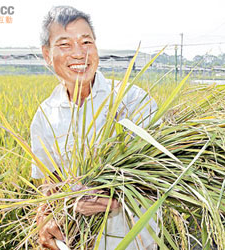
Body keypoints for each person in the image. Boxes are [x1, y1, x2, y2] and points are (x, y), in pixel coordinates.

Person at [31, 6, 158, 250]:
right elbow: (49, 188)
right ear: (47, 54)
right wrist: (43, 224)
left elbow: (167, 176)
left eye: (86, 42)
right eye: (65, 44)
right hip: (79, 243)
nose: (79, 53)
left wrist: (116, 197)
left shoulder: (132, 101)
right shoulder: (45, 116)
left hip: (134, 243)